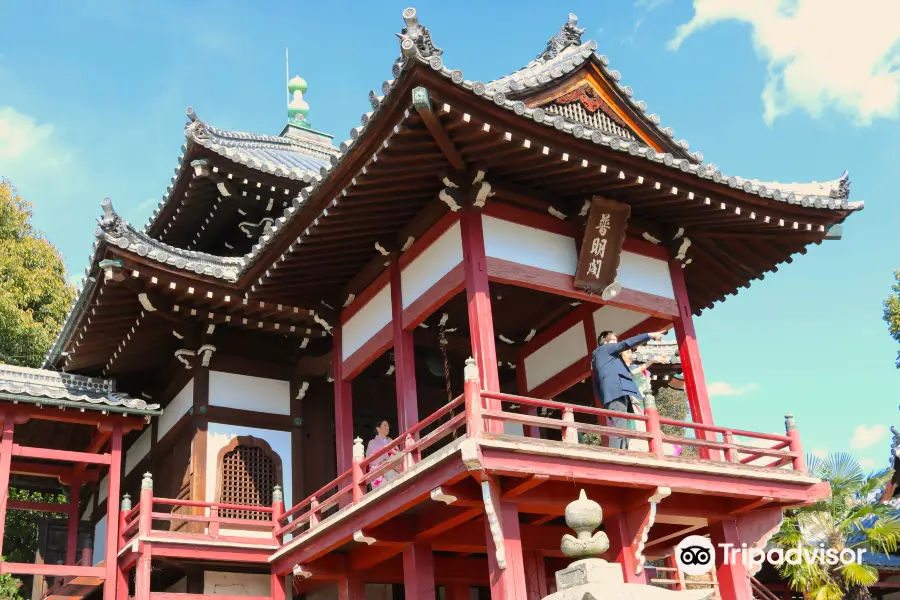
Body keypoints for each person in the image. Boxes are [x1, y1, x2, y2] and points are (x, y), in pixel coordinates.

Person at [592, 330, 664, 449]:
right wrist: (649, 335)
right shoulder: (604, 349)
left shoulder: (605, 360)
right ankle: (616, 456)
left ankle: (622, 454)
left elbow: (597, 385)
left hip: (615, 394)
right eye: (614, 341)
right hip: (616, 393)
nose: (617, 344)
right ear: (605, 341)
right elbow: (626, 343)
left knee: (623, 429)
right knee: (620, 428)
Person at [366, 419, 401, 489]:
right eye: (385, 425)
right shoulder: (372, 443)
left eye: (388, 426)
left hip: (394, 470)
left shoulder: (391, 441)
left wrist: (395, 463)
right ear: (378, 428)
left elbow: (398, 455)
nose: (387, 427)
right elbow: (372, 461)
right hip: (381, 472)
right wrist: (387, 463)